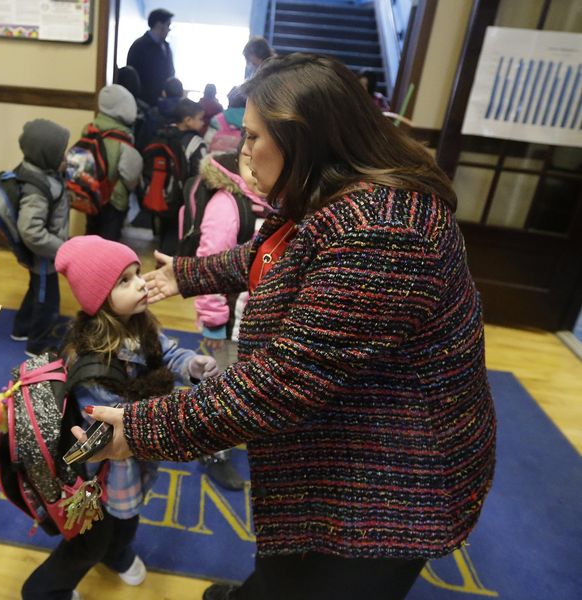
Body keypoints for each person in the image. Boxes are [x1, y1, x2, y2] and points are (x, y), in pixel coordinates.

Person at [76, 53, 497, 600]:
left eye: (252, 137)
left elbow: (280, 384)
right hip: (347, 435)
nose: (242, 151)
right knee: (285, 575)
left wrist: (138, 429)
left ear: (306, 139)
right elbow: (276, 254)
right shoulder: (336, 193)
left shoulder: (384, 231)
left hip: (388, 481)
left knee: (318, 581)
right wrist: (188, 273)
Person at [21, 234, 218, 600]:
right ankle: (44, 590)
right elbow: (115, 419)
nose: (141, 283)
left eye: (137, 273)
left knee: (129, 516)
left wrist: (191, 364)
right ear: (98, 298)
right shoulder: (92, 358)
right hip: (102, 469)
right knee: (91, 537)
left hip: (135, 451)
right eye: (124, 281)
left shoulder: (141, 323)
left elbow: (167, 354)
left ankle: (117, 552)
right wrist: (176, 415)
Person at [179, 150, 273, 490]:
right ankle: (213, 452)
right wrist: (213, 322)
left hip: (253, 319)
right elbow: (209, 267)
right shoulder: (227, 203)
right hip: (228, 322)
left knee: (239, 383)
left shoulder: (267, 200)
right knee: (221, 389)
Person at [9, 118, 71, 356]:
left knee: (37, 290)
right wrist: (61, 248)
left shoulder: (38, 171)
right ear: (45, 155)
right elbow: (31, 231)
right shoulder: (35, 189)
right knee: (48, 300)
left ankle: (21, 327)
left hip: (45, 252)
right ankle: (37, 344)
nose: (65, 159)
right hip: (45, 254)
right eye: (61, 154)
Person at [83, 84, 143, 242]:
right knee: (108, 241)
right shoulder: (122, 137)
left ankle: (84, 265)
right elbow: (131, 175)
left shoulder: (89, 129)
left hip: (89, 192)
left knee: (90, 233)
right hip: (113, 199)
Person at [149, 98, 207, 255]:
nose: (202, 123)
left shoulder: (163, 134)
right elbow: (201, 171)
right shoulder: (195, 141)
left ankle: (161, 258)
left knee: (165, 231)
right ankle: (166, 266)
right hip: (180, 197)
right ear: (188, 120)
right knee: (175, 234)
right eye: (200, 119)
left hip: (159, 192)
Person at [126, 8, 176, 106]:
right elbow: (133, 77)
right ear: (159, 25)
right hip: (144, 103)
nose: (169, 29)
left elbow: (170, 72)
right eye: (168, 25)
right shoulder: (139, 46)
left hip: (163, 102)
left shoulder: (166, 46)